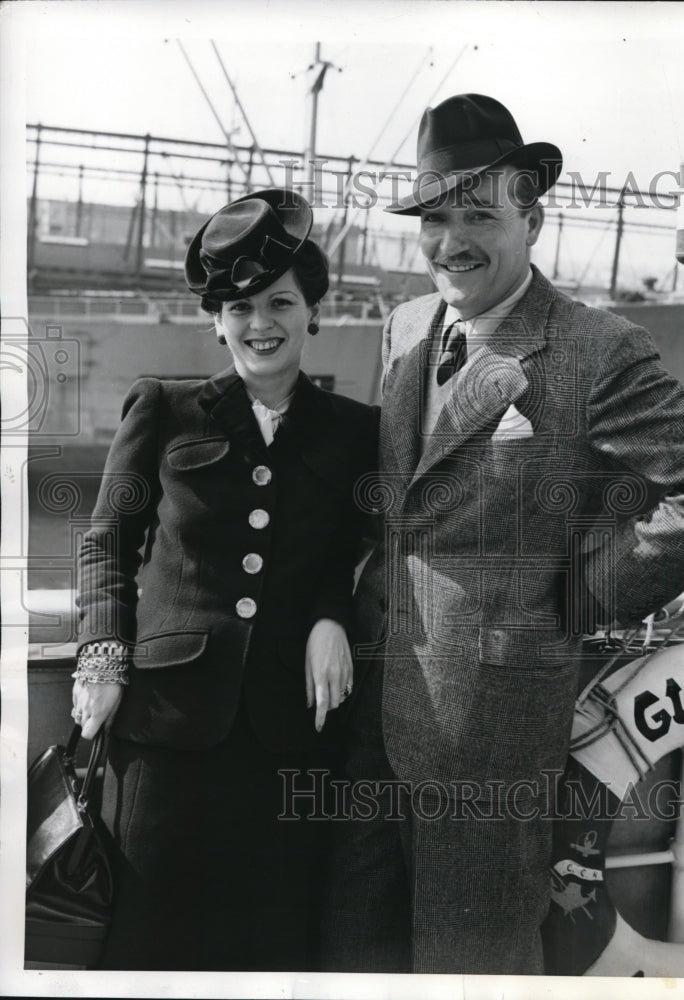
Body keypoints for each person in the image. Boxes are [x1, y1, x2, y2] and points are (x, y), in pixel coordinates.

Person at [323, 93, 684, 975]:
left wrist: (574, 600)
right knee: (352, 954)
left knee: (470, 962)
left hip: (489, 733)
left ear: (532, 215)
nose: (452, 242)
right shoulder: (406, 326)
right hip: (367, 719)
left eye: (479, 215)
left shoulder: (593, 350)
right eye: (435, 218)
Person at [71, 188, 378, 971]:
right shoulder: (165, 410)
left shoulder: (353, 434)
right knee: (147, 943)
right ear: (216, 319)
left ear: (315, 311)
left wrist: (329, 616)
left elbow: (352, 549)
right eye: (239, 306)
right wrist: (103, 654)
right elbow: (108, 539)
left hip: (293, 737)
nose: (259, 323)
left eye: (279, 301)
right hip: (168, 732)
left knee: (274, 947)